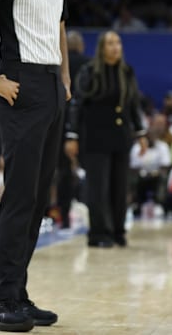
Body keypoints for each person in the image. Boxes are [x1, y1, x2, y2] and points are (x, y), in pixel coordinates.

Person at [0, 0, 69, 331]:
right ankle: (1, 302)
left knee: (36, 199)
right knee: (18, 196)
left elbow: (61, 29)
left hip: (51, 88)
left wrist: (64, 80)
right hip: (20, 85)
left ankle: (18, 293)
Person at [66, 30, 147, 247]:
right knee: (98, 188)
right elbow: (77, 104)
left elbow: (133, 105)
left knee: (120, 187)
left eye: (118, 43)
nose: (115, 47)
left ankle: (118, 231)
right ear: (102, 48)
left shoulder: (126, 72)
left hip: (120, 137)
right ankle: (98, 233)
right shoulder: (90, 71)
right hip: (95, 136)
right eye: (110, 43)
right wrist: (72, 135)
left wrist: (140, 134)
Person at [55, 30, 91, 229]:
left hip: (59, 124)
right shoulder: (89, 64)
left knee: (63, 173)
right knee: (90, 171)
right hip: (84, 126)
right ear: (81, 46)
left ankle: (64, 217)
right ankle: (95, 214)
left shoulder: (56, 65)